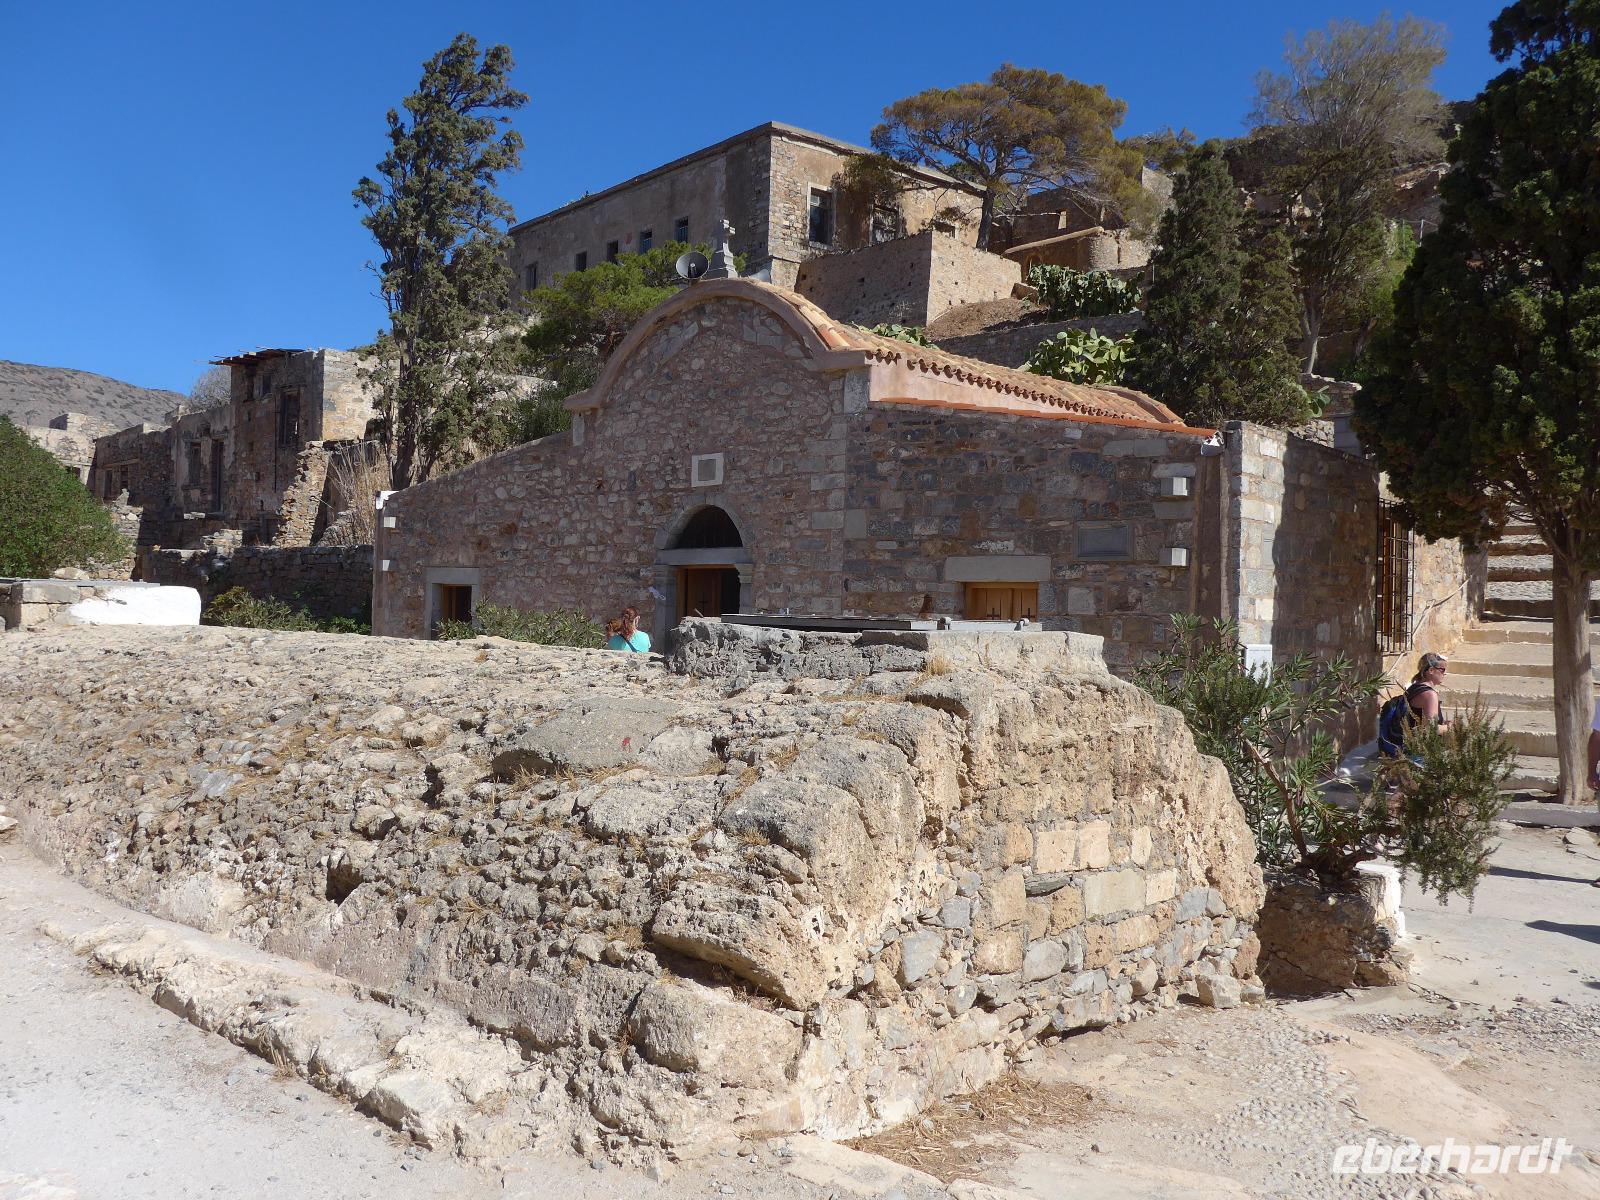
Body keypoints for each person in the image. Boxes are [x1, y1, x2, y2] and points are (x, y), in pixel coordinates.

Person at [1376, 651, 1450, 758]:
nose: (1445, 673)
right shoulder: (1430, 695)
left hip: (1407, 745)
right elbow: (1431, 728)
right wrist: (1448, 727)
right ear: (1431, 671)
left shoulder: (1414, 687)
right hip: (1419, 753)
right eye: (1442, 670)